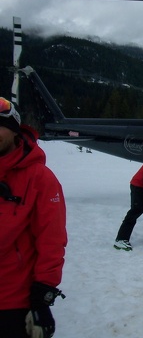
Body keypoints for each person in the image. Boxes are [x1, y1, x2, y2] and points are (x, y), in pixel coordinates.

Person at [0, 97, 67, 338]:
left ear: (15, 131)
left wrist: (42, 296)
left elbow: (51, 240)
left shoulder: (40, 179)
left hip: (11, 301)